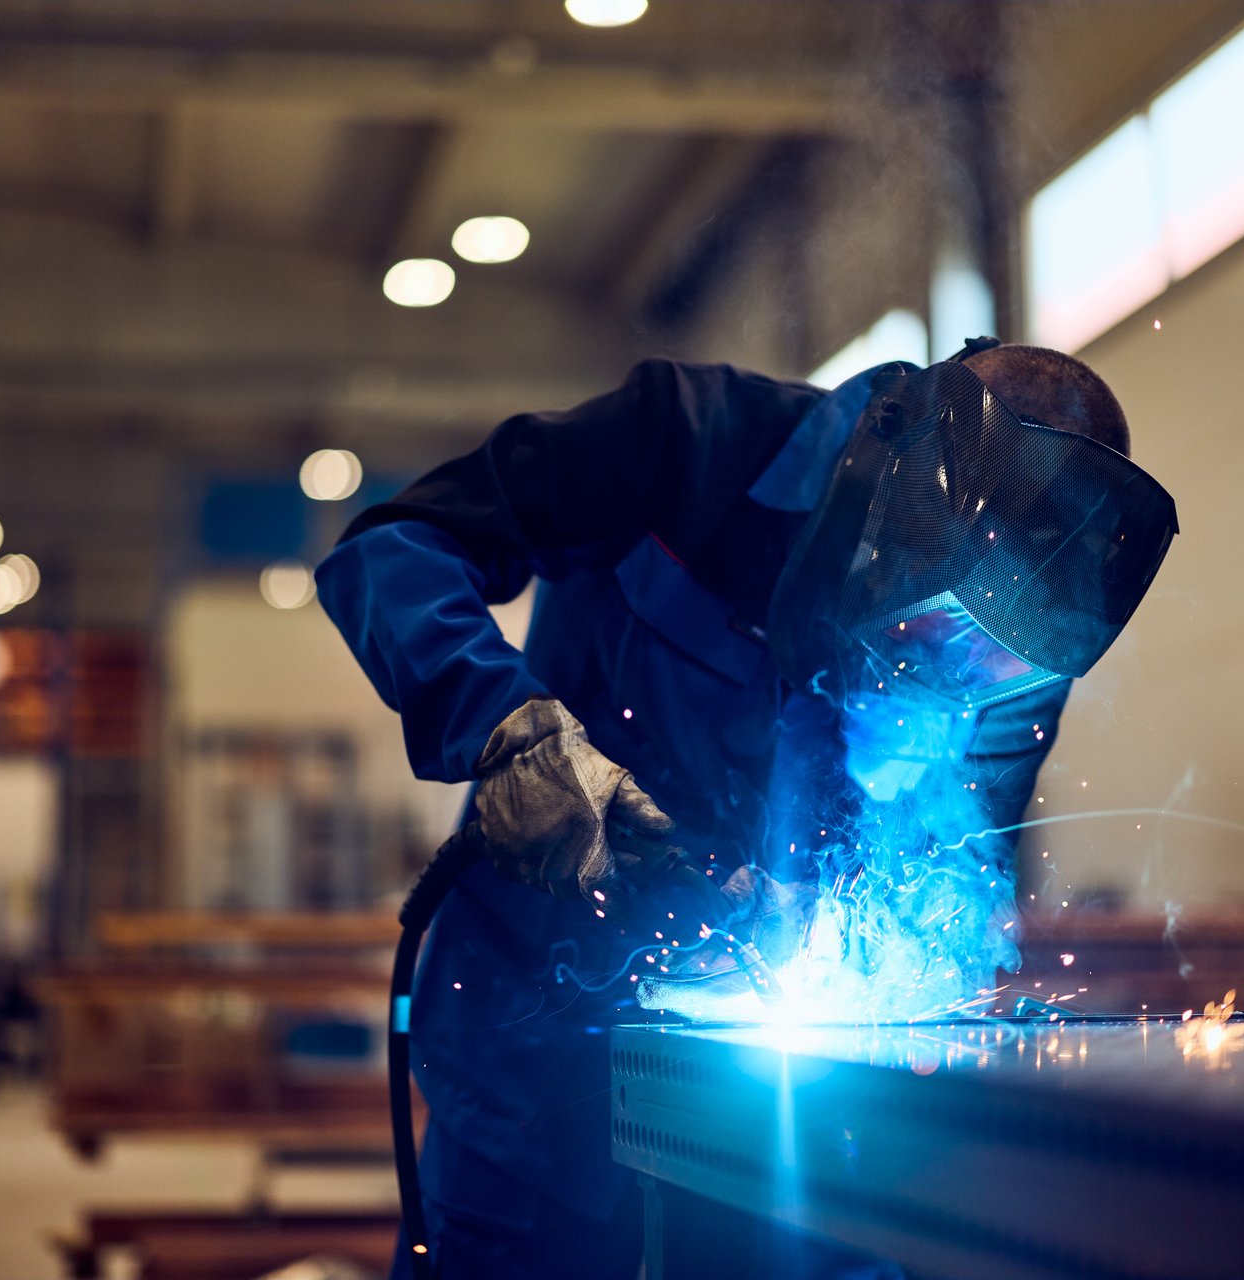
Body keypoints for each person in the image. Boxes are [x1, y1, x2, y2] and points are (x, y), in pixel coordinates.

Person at [316, 338, 1178, 1278]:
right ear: (898, 509)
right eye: (942, 635)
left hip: (798, 1142)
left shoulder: (1021, 637)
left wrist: (897, 959)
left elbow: (961, 863)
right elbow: (390, 550)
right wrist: (507, 731)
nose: (962, 675)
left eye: (995, 667)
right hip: (536, 1078)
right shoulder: (687, 445)